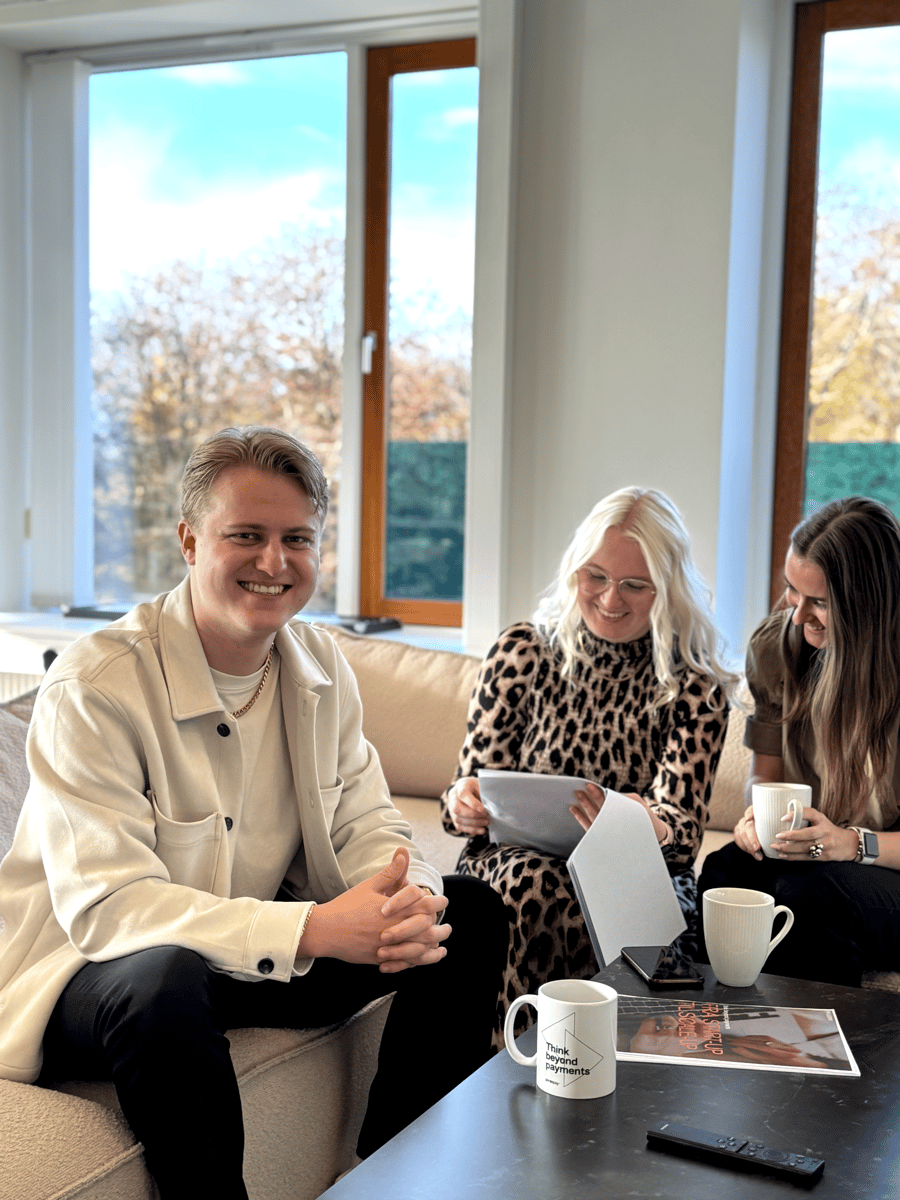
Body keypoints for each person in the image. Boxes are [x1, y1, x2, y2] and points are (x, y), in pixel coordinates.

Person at [0, 426, 507, 1200]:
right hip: (86, 970)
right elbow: (109, 909)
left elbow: (367, 819)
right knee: (161, 978)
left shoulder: (321, 666)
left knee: (460, 912)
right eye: (248, 535)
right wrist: (315, 929)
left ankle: (399, 1177)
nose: (275, 562)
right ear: (190, 541)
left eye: (297, 539)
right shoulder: (96, 686)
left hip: (231, 949)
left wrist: (402, 895)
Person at [441, 487, 735, 1044]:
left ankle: (545, 1068)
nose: (609, 599)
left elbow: (682, 835)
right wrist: (464, 802)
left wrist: (629, 816)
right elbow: (465, 792)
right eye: (594, 576)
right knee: (537, 881)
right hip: (509, 860)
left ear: (666, 590)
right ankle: (534, 1070)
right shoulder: (522, 652)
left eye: (634, 585)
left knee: (575, 893)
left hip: (637, 871)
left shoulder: (695, 685)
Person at [698, 496, 900, 988]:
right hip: (815, 857)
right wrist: (753, 819)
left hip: (882, 863)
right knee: (725, 874)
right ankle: (715, 1042)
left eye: (820, 602)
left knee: (813, 892)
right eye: (792, 590)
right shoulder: (775, 650)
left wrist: (851, 844)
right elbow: (762, 781)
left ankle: (812, 1057)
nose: (797, 614)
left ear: (868, 604)